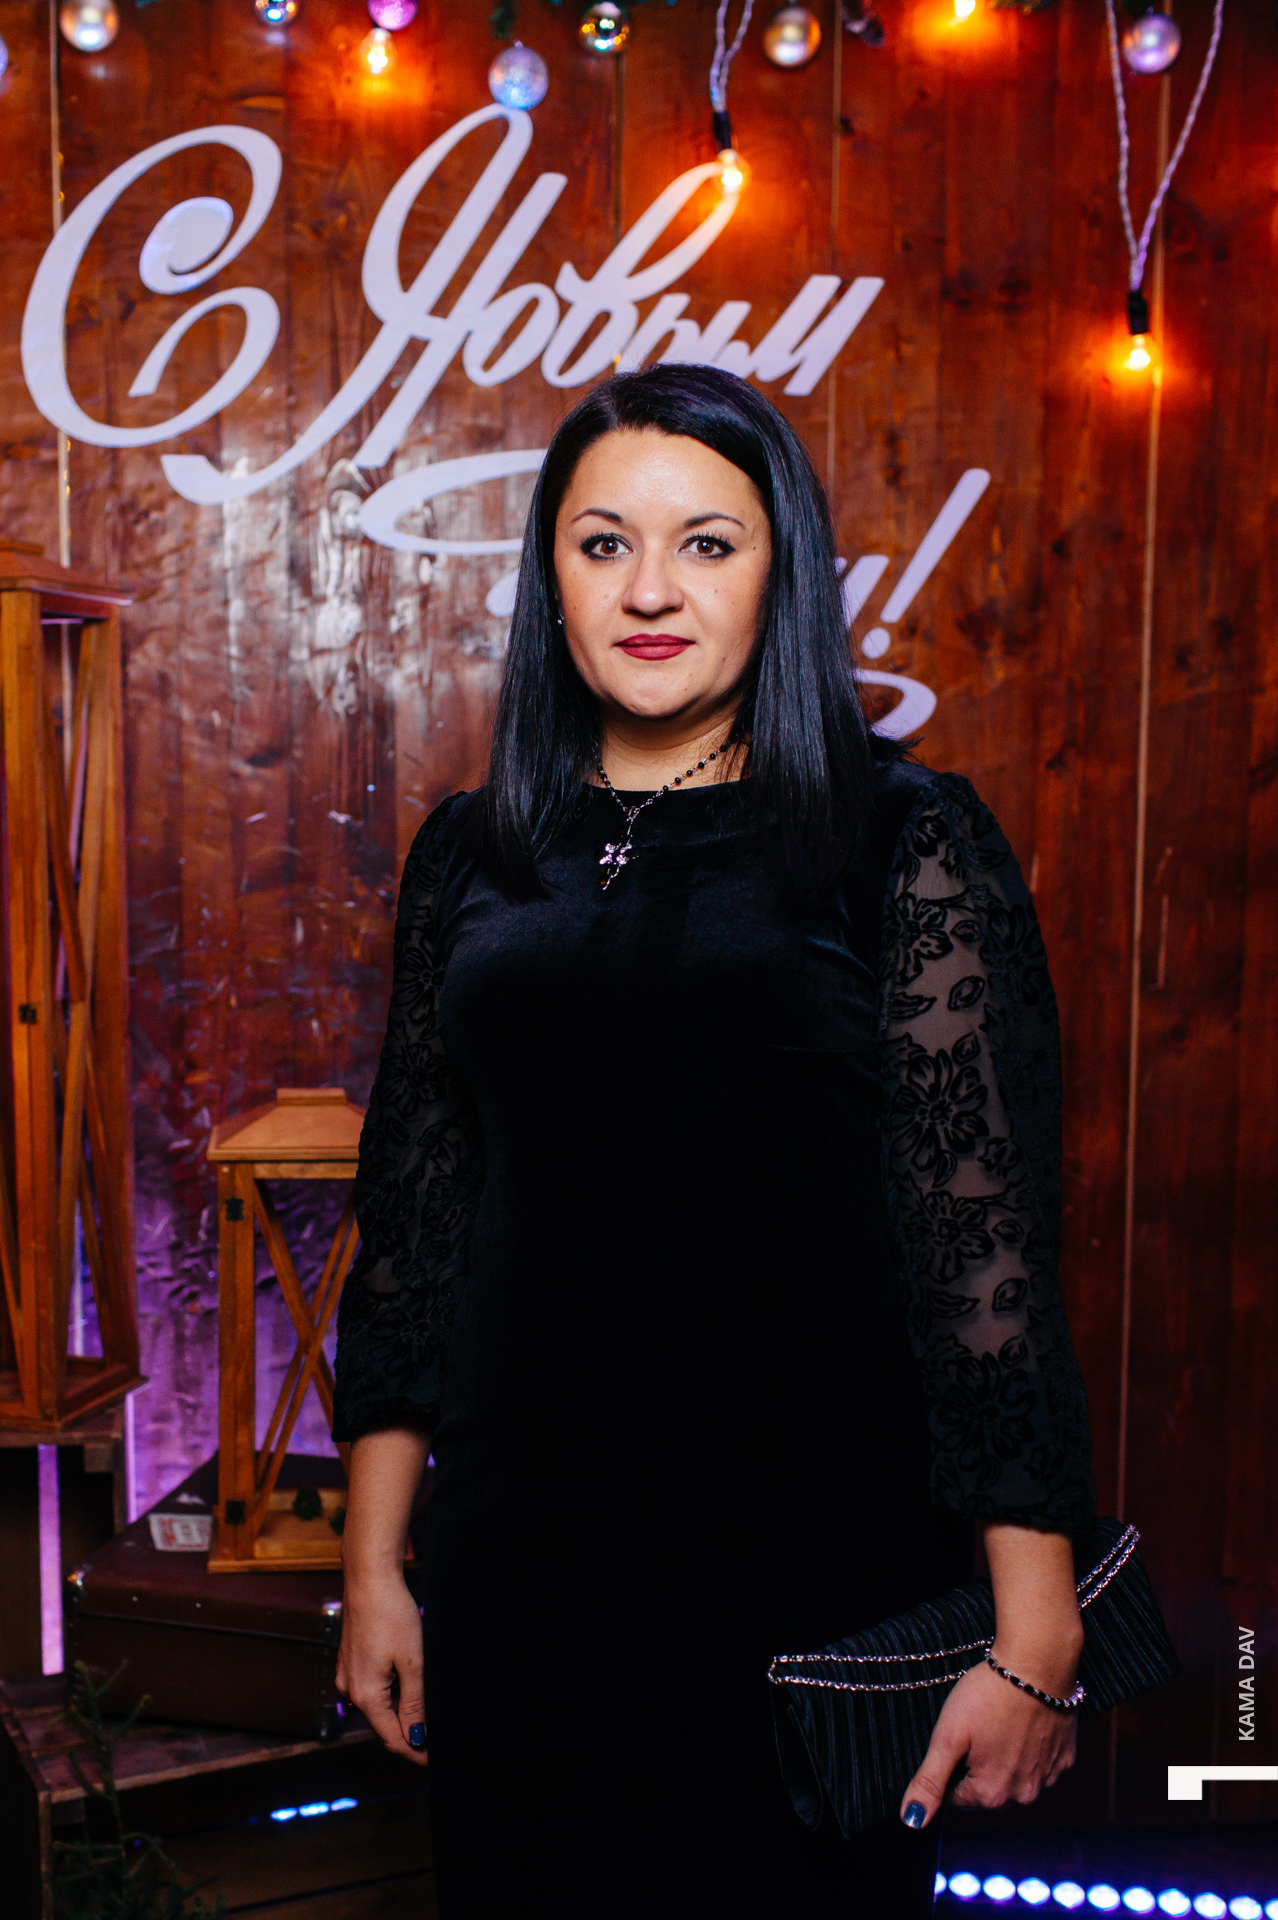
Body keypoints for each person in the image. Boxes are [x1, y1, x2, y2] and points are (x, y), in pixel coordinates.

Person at [329, 365, 1096, 1915]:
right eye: (604, 543)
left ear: (780, 574)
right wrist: (373, 1566)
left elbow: (987, 1251)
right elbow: (414, 1228)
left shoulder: (900, 838)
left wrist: (1036, 1626)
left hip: (809, 1565)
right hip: (518, 1567)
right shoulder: (470, 853)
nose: (650, 590)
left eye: (708, 543)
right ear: (551, 576)